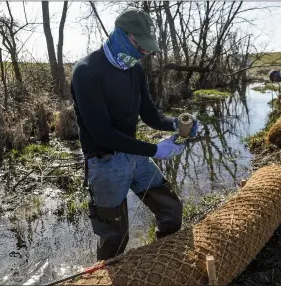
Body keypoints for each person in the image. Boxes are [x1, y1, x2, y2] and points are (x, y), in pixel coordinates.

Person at [70, 9, 199, 260]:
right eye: (140, 46)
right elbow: (102, 134)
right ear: (122, 35)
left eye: (146, 49)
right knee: (115, 238)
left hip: (135, 157)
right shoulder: (86, 71)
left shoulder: (135, 70)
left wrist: (176, 124)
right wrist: (155, 150)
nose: (143, 53)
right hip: (105, 162)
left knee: (171, 210)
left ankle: (163, 263)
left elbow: (151, 115)